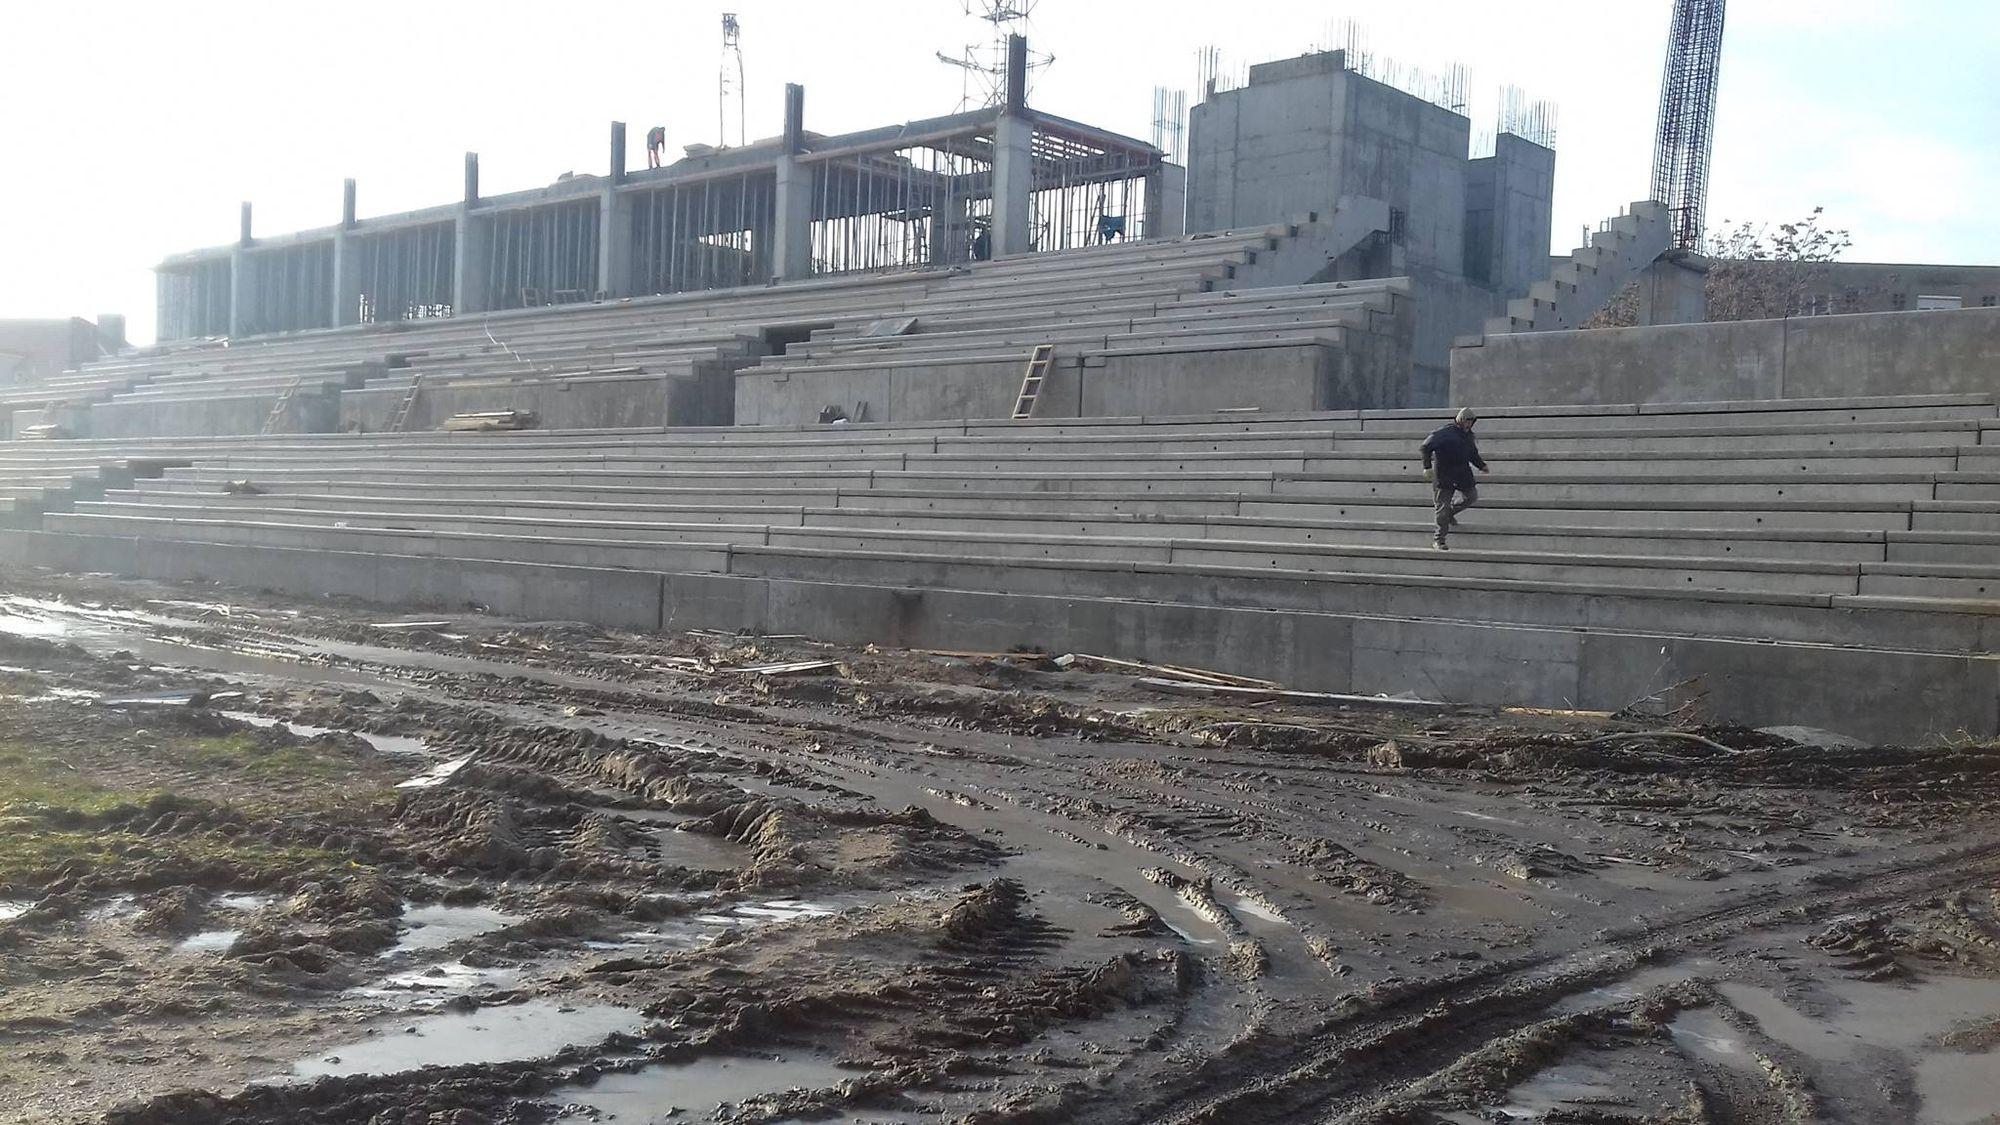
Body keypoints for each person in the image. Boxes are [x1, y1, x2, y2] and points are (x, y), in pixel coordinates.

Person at [1420, 406, 1488, 550]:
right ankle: (1439, 539)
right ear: (1461, 420)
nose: (1469, 425)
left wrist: (1481, 465)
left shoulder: (1468, 436)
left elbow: (1472, 453)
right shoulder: (1444, 433)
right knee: (1441, 508)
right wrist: (1427, 466)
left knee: (1471, 496)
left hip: (1462, 473)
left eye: (1471, 422)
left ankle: (1450, 513)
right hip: (1444, 474)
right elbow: (1425, 446)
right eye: (1467, 421)